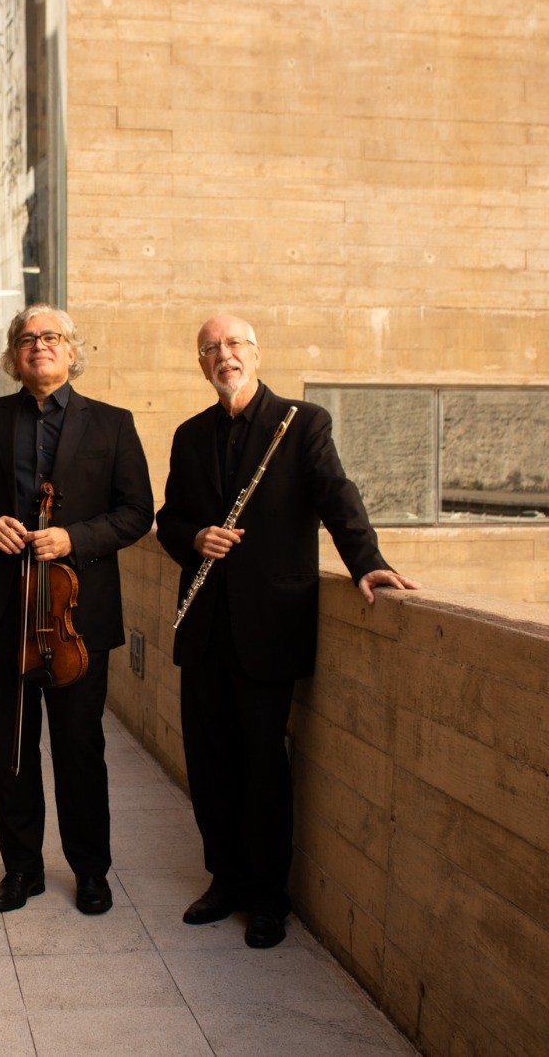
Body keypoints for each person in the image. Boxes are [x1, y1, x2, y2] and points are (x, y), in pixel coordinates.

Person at [156, 313, 419, 949]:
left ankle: (269, 898)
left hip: (269, 626)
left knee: (264, 766)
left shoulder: (301, 424)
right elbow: (168, 519)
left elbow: (337, 496)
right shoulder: (190, 436)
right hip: (206, 627)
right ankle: (224, 879)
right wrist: (195, 536)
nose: (225, 356)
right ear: (201, 364)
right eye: (212, 349)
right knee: (210, 761)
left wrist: (369, 563)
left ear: (256, 352)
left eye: (235, 345)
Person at [0, 303, 153, 915]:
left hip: (76, 615)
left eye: (52, 337)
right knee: (12, 746)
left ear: (71, 351)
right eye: (27, 338)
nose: (39, 346)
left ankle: (90, 870)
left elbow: (136, 512)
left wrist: (74, 539)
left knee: (79, 745)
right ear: (13, 355)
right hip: (2, 609)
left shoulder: (112, 424)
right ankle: (22, 870)